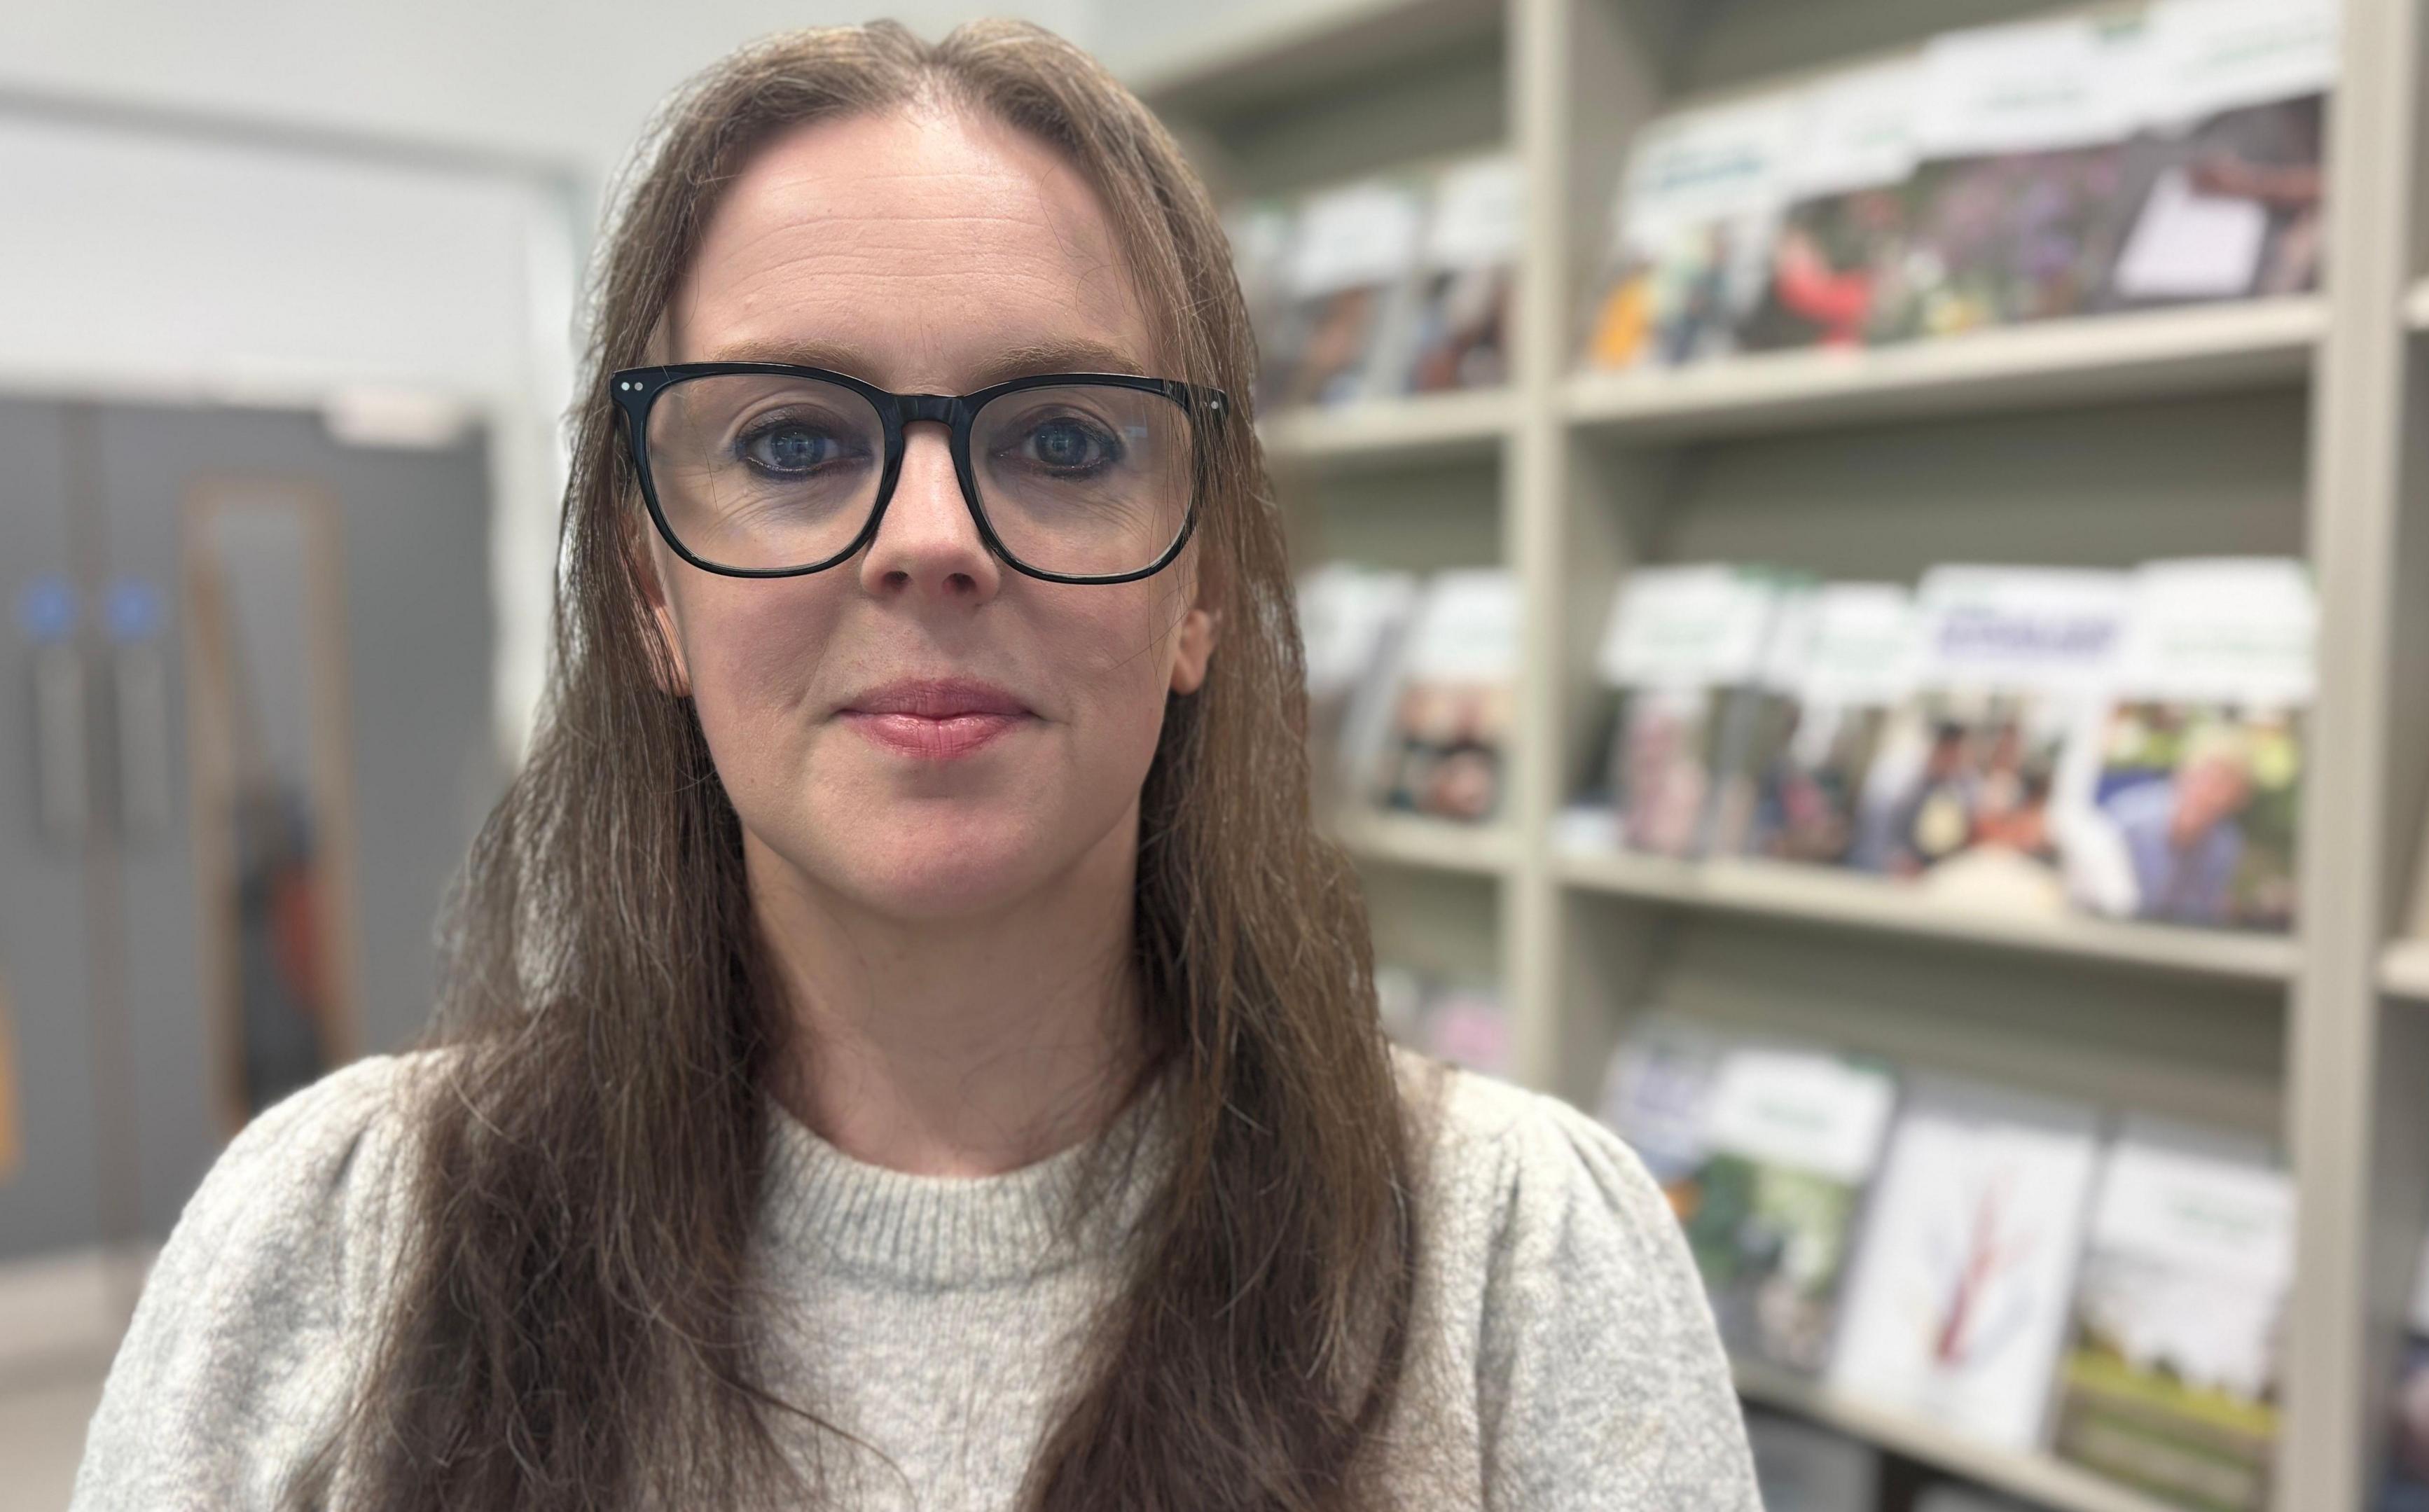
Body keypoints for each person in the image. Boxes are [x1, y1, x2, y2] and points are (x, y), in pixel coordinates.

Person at [71, 22, 1759, 1512]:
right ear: (652, 590)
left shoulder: (1511, 1267)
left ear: (1203, 590)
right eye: (794, 442)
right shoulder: (335, 1248)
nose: (933, 542)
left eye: (1065, 441)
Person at [2100, 728, 2257, 927]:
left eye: (2229, 786)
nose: (2214, 794)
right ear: (2184, 773)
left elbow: (2202, 916)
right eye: (2209, 778)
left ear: (2240, 798)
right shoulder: (2127, 820)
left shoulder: (2225, 845)